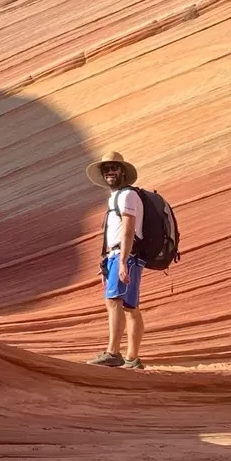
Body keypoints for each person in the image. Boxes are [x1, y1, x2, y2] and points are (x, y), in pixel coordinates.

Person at [86, 151, 145, 368]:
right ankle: (133, 358)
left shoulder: (127, 195)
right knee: (130, 307)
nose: (110, 171)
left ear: (123, 172)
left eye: (114, 168)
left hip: (125, 255)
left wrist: (121, 261)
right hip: (121, 255)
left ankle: (113, 353)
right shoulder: (116, 197)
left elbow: (128, 230)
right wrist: (106, 262)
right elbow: (114, 231)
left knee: (113, 302)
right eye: (106, 169)